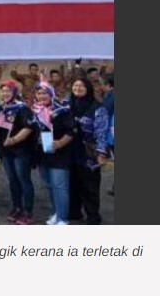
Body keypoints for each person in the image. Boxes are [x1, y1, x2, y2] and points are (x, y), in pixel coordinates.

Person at [0, 80, 37, 225]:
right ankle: (17, 207)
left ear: (14, 92)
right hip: (6, 152)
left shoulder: (22, 107)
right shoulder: (1, 108)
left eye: (8, 91)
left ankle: (28, 212)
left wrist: (14, 139)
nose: (5, 93)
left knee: (24, 180)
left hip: (21, 151)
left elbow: (28, 127)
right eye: (3, 91)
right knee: (12, 181)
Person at [67, 78, 109, 225]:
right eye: (75, 85)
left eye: (82, 86)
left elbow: (102, 131)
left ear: (88, 88)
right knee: (72, 183)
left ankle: (93, 216)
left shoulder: (97, 108)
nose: (78, 88)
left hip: (88, 153)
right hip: (70, 151)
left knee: (90, 186)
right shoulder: (67, 104)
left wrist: (101, 152)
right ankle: (74, 212)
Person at [32, 82, 74, 225]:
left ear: (51, 94)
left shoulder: (62, 110)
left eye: (44, 93)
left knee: (60, 186)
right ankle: (56, 212)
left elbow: (71, 131)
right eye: (39, 93)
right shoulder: (36, 110)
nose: (41, 96)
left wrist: (60, 143)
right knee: (49, 185)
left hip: (59, 154)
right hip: (43, 153)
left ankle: (63, 219)